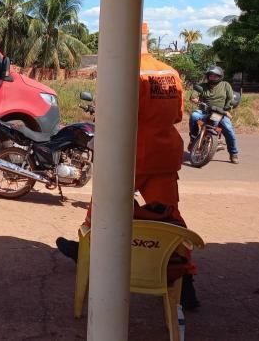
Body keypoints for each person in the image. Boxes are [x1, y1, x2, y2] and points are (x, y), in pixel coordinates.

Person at [55, 24, 201, 310]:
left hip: (130, 155)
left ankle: (87, 251)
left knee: (103, 207)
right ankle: (186, 282)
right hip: (164, 153)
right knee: (170, 218)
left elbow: (118, 116)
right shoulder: (169, 72)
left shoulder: (125, 71)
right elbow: (175, 114)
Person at [189, 65, 239, 164]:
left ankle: (233, 153)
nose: (213, 77)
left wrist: (228, 108)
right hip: (205, 111)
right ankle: (193, 138)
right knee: (194, 116)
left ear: (220, 76)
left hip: (220, 113)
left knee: (229, 130)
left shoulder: (225, 85)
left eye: (215, 76)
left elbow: (230, 99)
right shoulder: (202, 86)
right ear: (208, 76)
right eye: (211, 75)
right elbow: (193, 97)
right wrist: (196, 101)